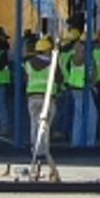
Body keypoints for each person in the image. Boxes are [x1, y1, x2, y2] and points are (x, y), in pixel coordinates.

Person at [24, 35, 57, 167]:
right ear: (48, 50)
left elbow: (27, 79)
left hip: (32, 97)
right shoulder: (52, 64)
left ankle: (35, 151)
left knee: (34, 124)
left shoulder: (28, 64)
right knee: (46, 126)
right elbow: (59, 79)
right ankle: (44, 152)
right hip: (48, 98)